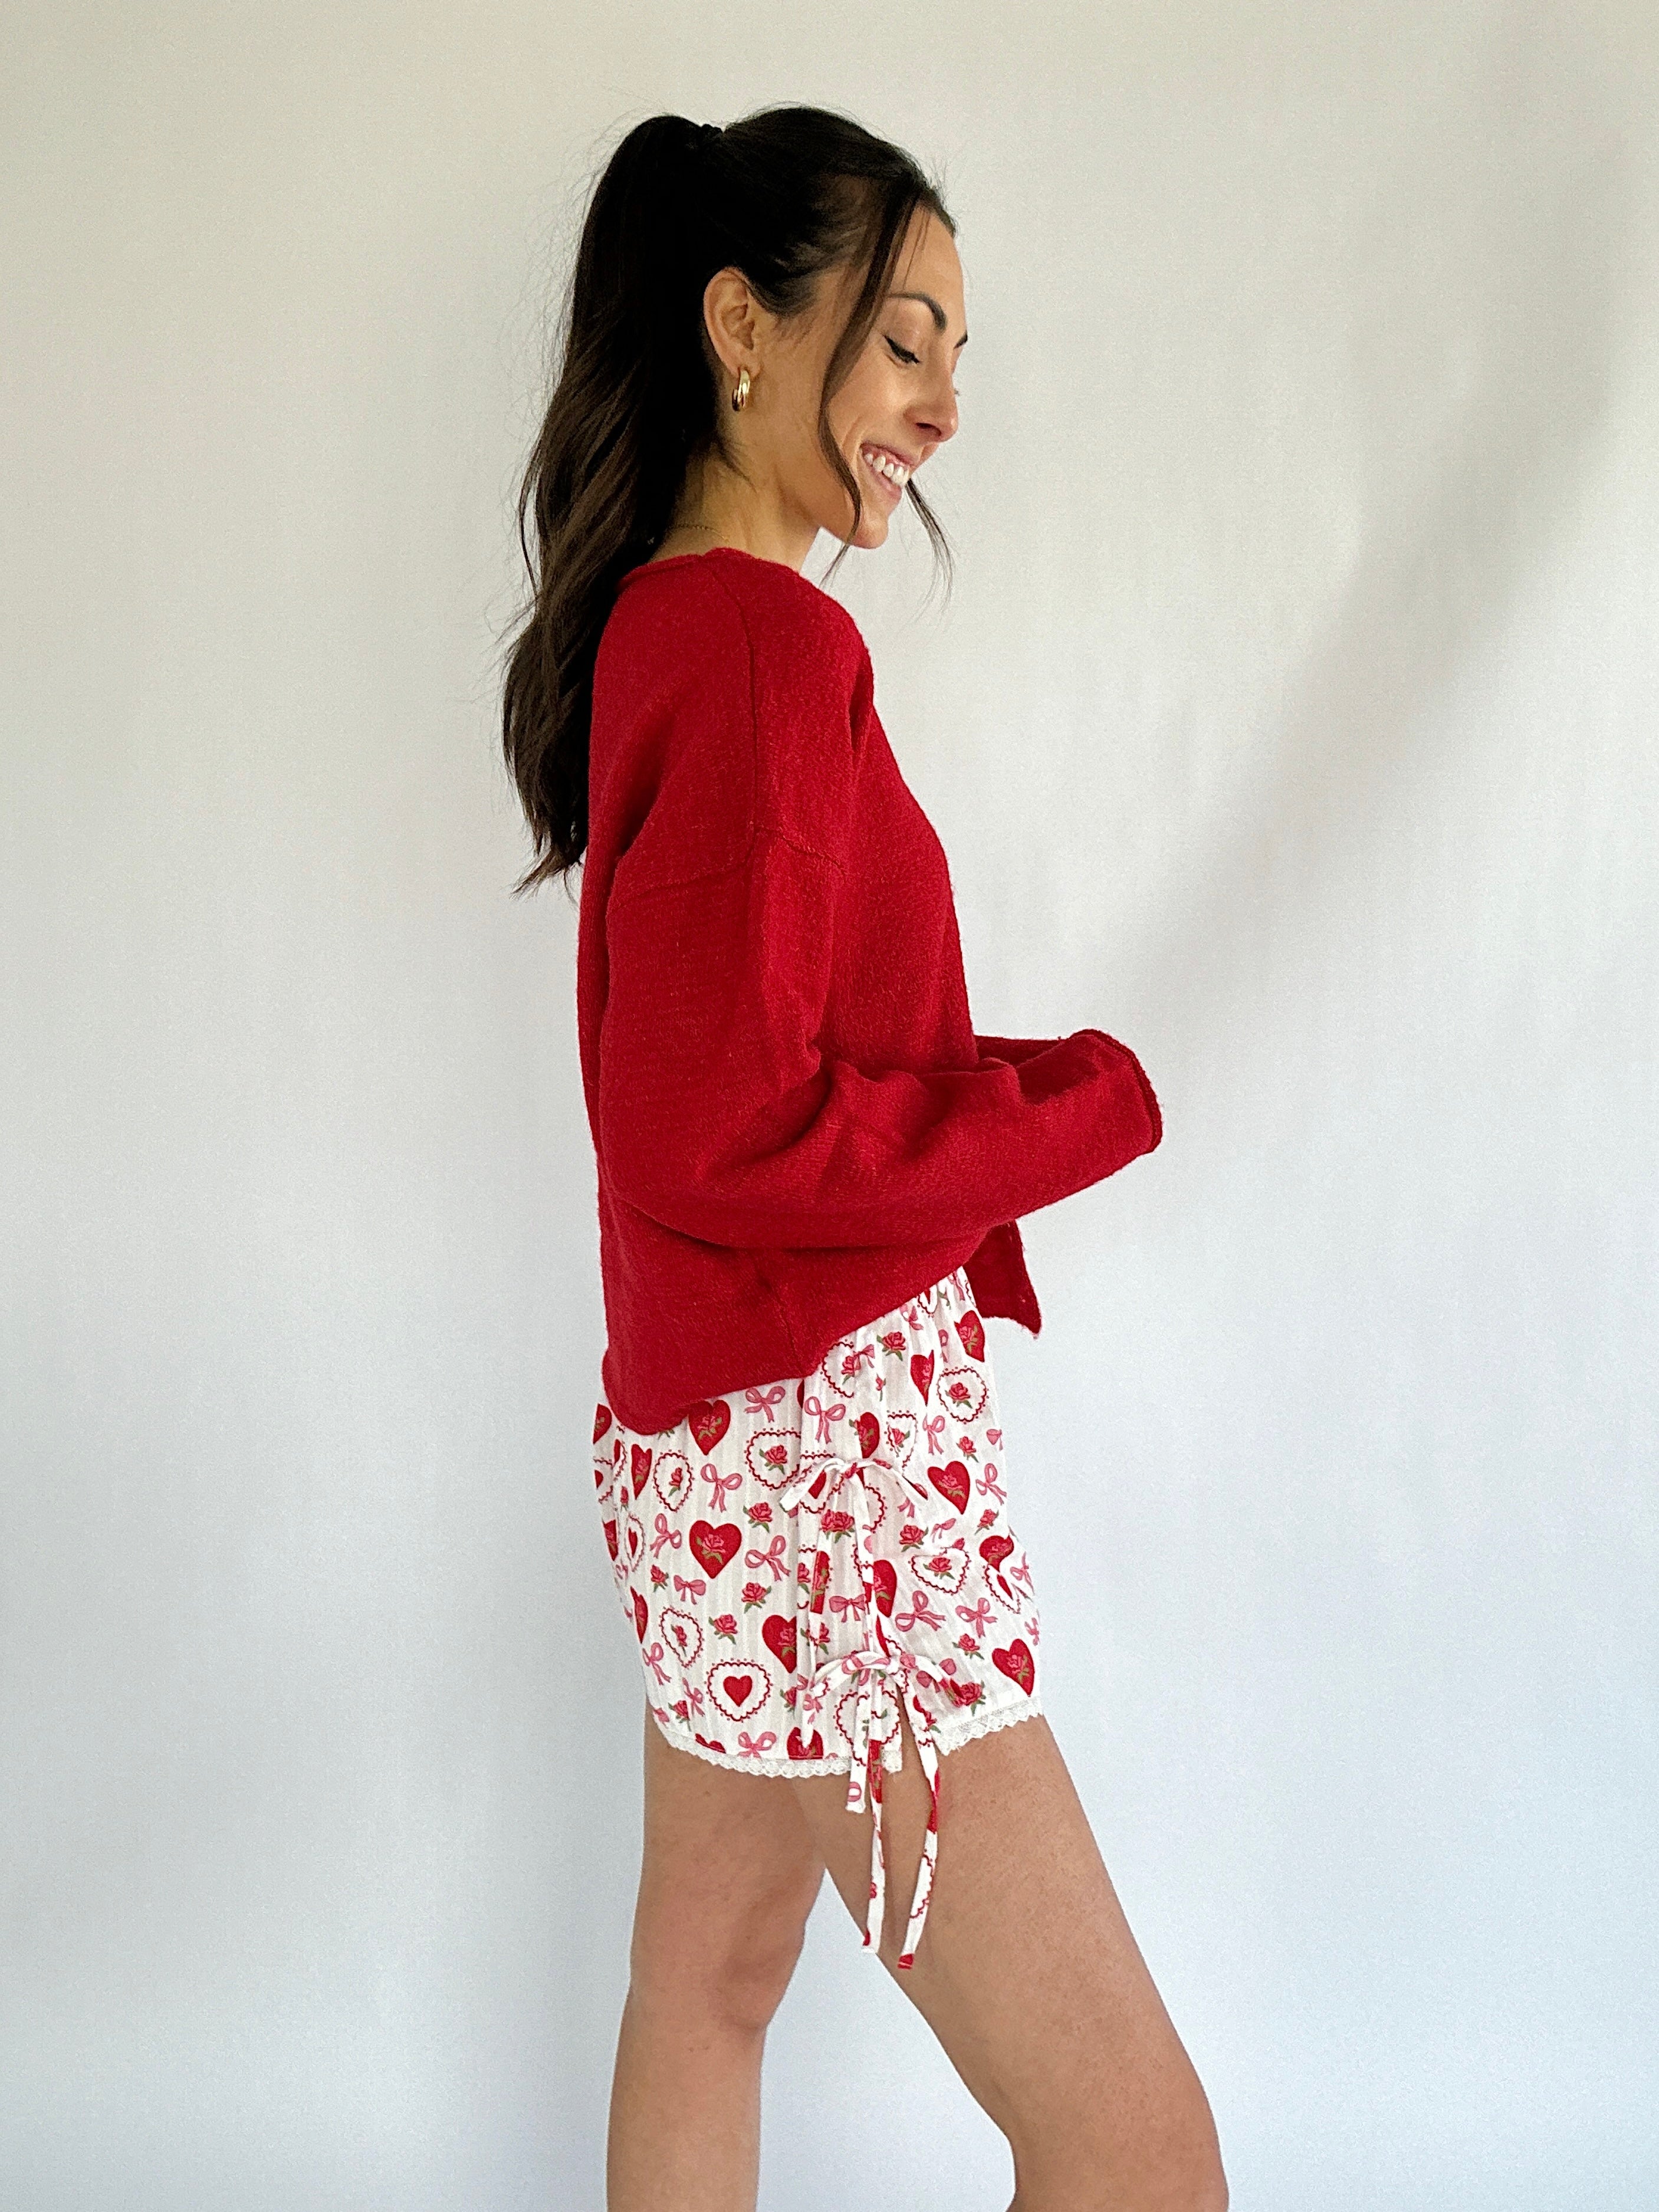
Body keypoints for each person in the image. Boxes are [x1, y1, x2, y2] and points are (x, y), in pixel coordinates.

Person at [501, 102, 1228, 2212]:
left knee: (705, 1989)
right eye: (906, 337)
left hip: (724, 1451)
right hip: (829, 1481)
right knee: (1135, 2147)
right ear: (745, 324)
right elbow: (724, 1124)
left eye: (958, 354)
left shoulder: (673, 631)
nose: (940, 404)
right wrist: (1079, 1099)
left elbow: (747, 1079)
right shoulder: (751, 650)